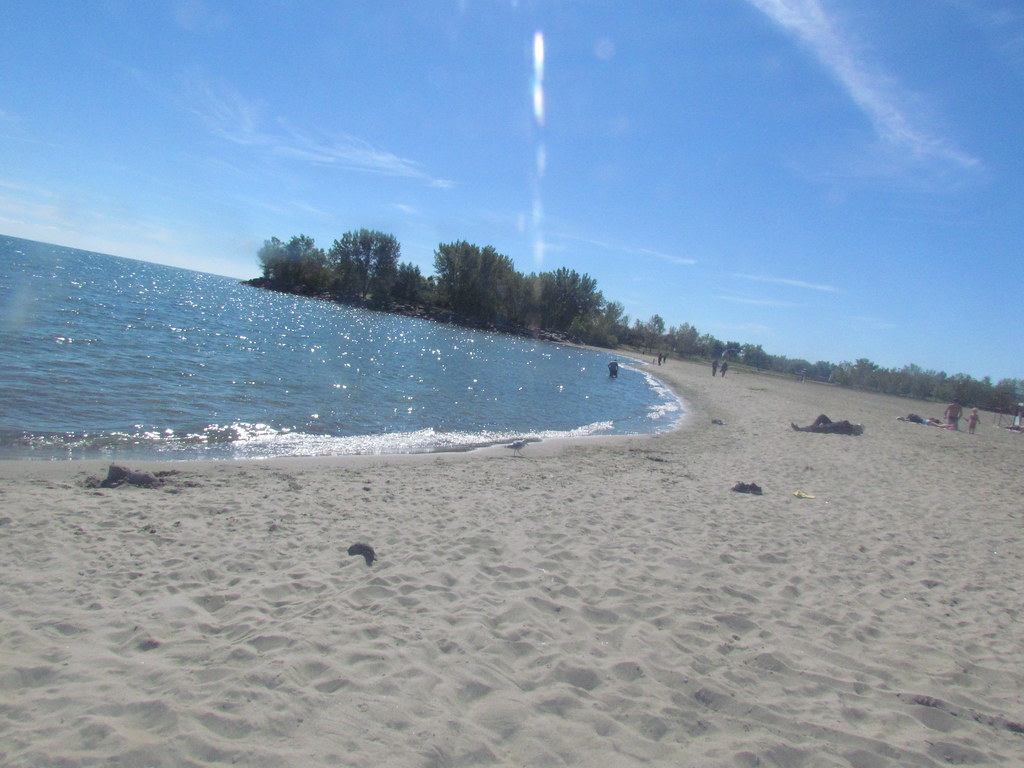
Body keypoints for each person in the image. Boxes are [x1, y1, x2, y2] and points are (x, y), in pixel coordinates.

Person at [791, 414, 864, 435]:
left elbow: (842, 426)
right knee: (822, 417)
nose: (855, 426)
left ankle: (799, 429)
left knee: (815, 429)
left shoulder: (849, 430)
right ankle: (814, 425)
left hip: (830, 429)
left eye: (857, 427)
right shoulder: (850, 427)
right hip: (831, 425)